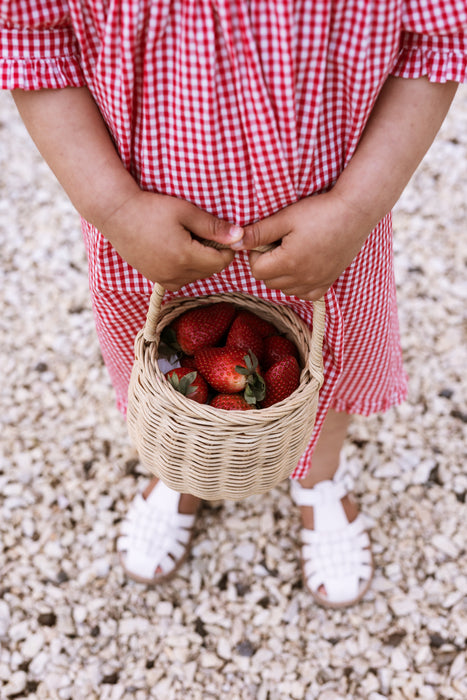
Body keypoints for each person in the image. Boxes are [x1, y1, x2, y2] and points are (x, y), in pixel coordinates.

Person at [2, 1, 466, 609]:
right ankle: (181, 470)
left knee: (327, 357)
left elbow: (436, 42)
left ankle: (317, 477)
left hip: (326, 219)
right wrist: (114, 208)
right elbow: (30, 39)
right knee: (164, 364)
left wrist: (355, 208)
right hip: (149, 224)